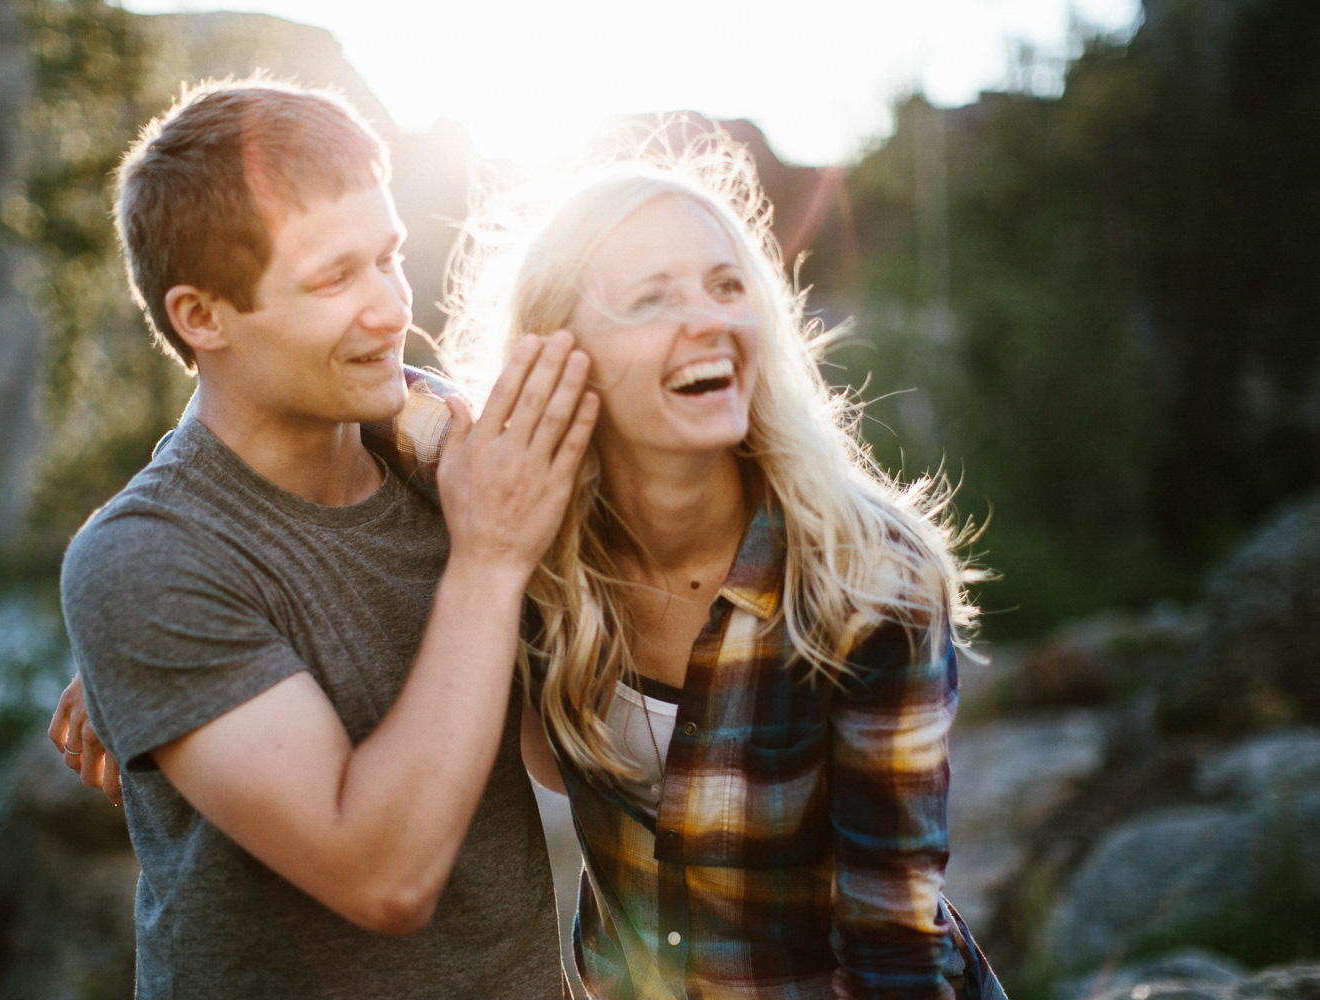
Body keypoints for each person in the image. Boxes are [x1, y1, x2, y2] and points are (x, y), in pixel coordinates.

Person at [49, 77, 598, 998]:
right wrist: (491, 558)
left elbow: (559, 755)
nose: (391, 308)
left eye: (388, 257)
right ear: (201, 316)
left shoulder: (435, 443)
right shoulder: (144, 560)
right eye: (334, 278)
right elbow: (383, 878)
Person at [424, 149, 1007, 1000]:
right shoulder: (526, 540)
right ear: (557, 355)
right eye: (652, 299)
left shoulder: (869, 578)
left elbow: (893, 952)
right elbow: (378, 399)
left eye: (727, 287)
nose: (708, 320)